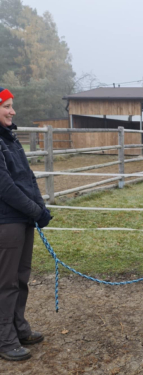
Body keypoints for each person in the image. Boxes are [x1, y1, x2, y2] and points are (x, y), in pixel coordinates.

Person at [0, 87, 52, 361]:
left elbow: (26, 176)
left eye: (11, 105)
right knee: (6, 282)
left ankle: (18, 328)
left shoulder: (10, 138)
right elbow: (5, 187)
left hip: (22, 219)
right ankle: (4, 339)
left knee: (21, 278)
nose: (12, 111)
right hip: (6, 222)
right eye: (6, 106)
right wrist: (34, 209)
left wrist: (39, 207)